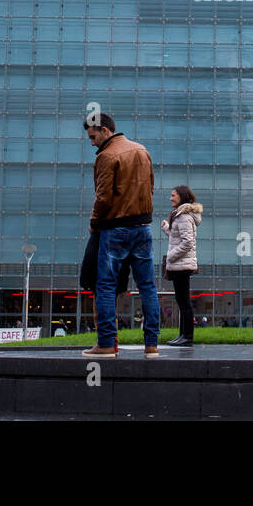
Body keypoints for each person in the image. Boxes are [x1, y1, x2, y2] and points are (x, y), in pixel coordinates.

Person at [81, 112, 161, 358]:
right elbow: (151, 187)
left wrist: (94, 222)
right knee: (147, 285)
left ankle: (105, 344)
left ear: (105, 130)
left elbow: (103, 197)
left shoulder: (107, 156)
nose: (92, 142)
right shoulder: (142, 150)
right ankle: (152, 345)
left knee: (105, 285)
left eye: (93, 137)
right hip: (143, 228)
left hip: (115, 229)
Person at [161, 184, 203, 347]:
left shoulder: (184, 216)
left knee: (184, 302)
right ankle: (183, 336)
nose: (171, 198)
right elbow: (178, 237)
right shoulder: (181, 215)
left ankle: (187, 337)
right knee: (182, 301)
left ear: (182, 197)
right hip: (180, 264)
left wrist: (171, 256)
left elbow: (187, 242)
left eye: (173, 195)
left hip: (182, 265)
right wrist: (166, 228)